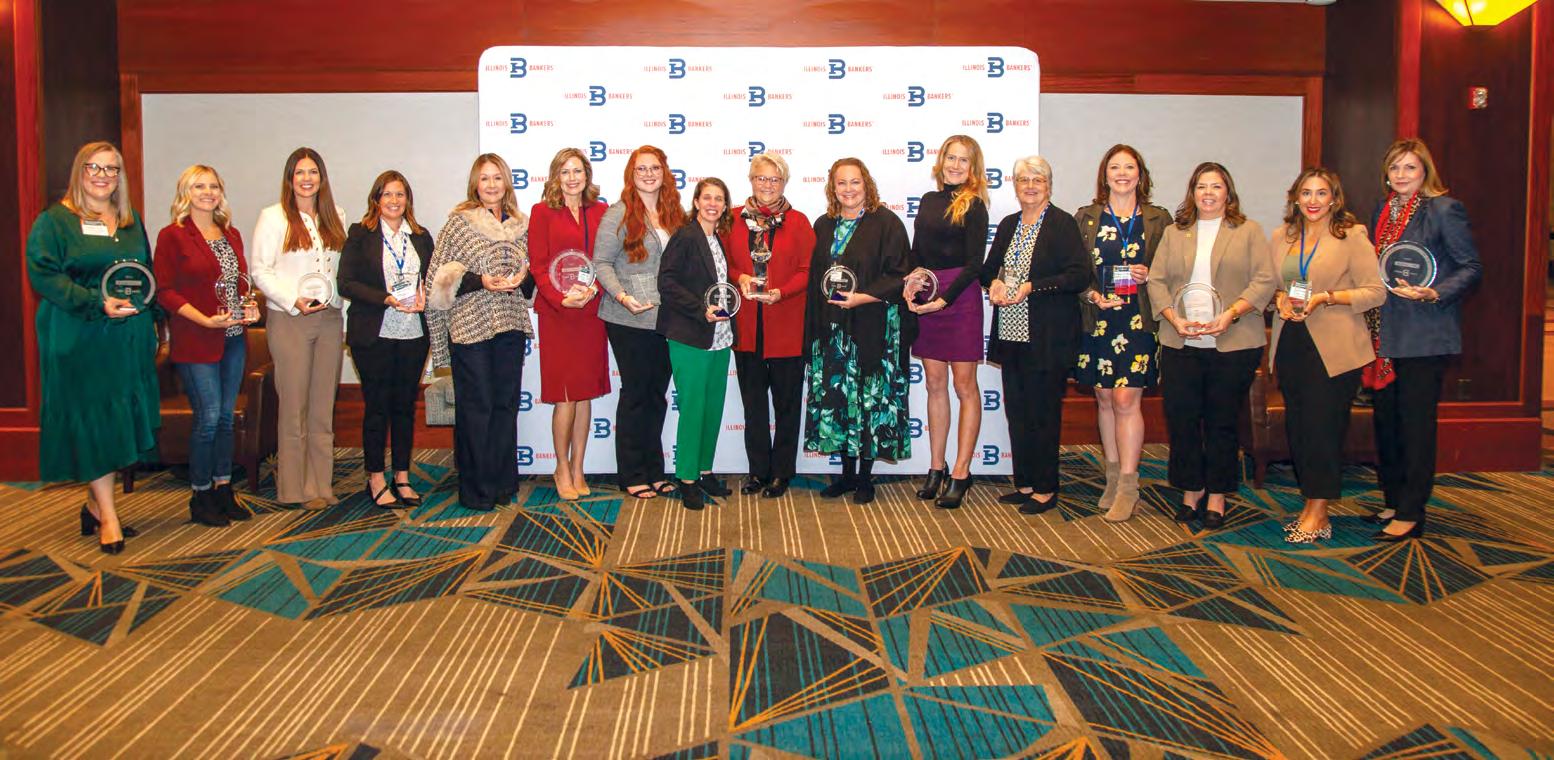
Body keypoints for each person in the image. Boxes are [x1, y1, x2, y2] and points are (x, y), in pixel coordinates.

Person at [25, 141, 158, 553]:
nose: (103, 176)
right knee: (96, 421)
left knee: (118, 422)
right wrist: (96, 302)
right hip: (79, 336)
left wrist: (152, 320)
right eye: (94, 168)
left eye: (111, 169)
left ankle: (94, 505)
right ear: (79, 171)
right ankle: (109, 517)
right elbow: (44, 276)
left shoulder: (130, 221)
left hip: (126, 338)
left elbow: (144, 273)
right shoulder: (55, 221)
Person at [1145, 162, 1276, 529]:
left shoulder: (1248, 231)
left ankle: (1217, 494)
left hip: (1232, 342)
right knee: (1183, 420)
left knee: (1221, 421)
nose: (1208, 193)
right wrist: (1174, 318)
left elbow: (1265, 280)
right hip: (1181, 341)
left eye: (1216, 186)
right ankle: (1191, 490)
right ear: (1192, 192)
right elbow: (1156, 281)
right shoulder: (1175, 232)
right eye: (1201, 186)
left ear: (1227, 193)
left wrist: (1231, 314)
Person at [1365, 139, 1482, 542]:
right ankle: (1394, 499)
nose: (1401, 175)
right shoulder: (1383, 211)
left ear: (1425, 171)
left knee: (1415, 426)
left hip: (1424, 333)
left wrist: (1435, 292)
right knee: (1387, 423)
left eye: (1410, 168)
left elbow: (1471, 266)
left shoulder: (1444, 210)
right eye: (1394, 168)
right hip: (1384, 334)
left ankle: (1413, 511)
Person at [1270, 167, 1387, 543]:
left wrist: (1327, 297)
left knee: (1323, 429)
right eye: (1306, 193)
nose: (1313, 201)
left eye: (1322, 193)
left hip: (1334, 347)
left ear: (1335, 199)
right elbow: (1276, 285)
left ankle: (1319, 513)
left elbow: (1375, 292)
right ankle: (1309, 505)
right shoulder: (1283, 236)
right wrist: (1279, 298)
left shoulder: (1351, 236)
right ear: (1295, 198)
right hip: (1292, 341)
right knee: (1299, 430)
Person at [981, 156, 1091, 514]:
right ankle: (1025, 482)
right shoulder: (1009, 224)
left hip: (1048, 336)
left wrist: (1032, 286)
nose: (1030, 186)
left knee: (1043, 414)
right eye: (1023, 180)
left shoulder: (1062, 224)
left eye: (1037, 180)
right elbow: (987, 270)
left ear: (1049, 186)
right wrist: (994, 283)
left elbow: (1079, 275)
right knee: (1018, 412)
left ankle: (1045, 488)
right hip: (1010, 334)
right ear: (1015, 186)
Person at [425, 153, 534, 512]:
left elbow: (531, 279)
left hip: (510, 324)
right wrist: (479, 280)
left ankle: (502, 483)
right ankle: (476, 490)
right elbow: (437, 277)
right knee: (477, 407)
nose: (491, 185)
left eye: (497, 177)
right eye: (484, 178)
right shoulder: (459, 223)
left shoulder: (522, 224)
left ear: (506, 183)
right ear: (475, 183)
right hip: (470, 326)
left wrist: (523, 277)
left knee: (505, 405)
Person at [803, 158, 913, 505]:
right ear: (832, 188)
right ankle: (845, 474)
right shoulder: (823, 225)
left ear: (866, 184)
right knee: (838, 399)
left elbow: (899, 275)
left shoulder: (886, 223)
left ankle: (865, 477)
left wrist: (861, 298)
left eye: (855, 182)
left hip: (872, 327)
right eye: (841, 183)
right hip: (833, 330)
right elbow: (814, 278)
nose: (848, 189)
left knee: (868, 399)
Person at [153, 164, 258, 528]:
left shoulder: (231, 234)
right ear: (186, 192)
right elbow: (164, 291)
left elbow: (239, 284)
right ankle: (200, 495)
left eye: (213, 186)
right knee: (208, 418)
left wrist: (249, 306)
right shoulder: (173, 236)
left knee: (226, 418)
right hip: (196, 338)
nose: (208, 192)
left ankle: (223, 487)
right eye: (199, 186)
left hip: (233, 338)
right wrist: (202, 319)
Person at [1074, 144, 1171, 522]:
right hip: (1098, 318)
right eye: (1114, 167)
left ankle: (1130, 486)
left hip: (1139, 320)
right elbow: (1075, 271)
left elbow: (1173, 270)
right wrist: (1091, 295)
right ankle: (1112, 478)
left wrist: (1151, 273)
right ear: (1105, 175)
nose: (1122, 174)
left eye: (1129, 167)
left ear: (1140, 175)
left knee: (1126, 398)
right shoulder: (1086, 217)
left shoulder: (1158, 219)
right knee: (1104, 398)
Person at [250, 147, 348, 510]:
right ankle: (295, 488)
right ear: (290, 178)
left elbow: (340, 270)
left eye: (313, 172)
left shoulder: (335, 215)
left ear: (322, 178)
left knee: (323, 405)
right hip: (290, 319)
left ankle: (321, 483)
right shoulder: (273, 217)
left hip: (329, 318)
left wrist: (340, 308)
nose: (307, 179)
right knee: (295, 405)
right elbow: (260, 270)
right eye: (300, 173)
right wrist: (293, 300)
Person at [594, 146, 688, 500]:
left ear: (665, 172)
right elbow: (601, 263)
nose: (649, 174)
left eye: (655, 168)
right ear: (631, 175)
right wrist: (622, 296)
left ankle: (654, 470)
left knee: (657, 396)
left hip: (668, 318)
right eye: (641, 169)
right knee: (636, 394)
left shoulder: (675, 213)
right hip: (628, 319)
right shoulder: (617, 213)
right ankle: (632, 473)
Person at [339, 170, 433, 509]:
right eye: (387, 194)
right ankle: (376, 478)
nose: (394, 200)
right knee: (377, 407)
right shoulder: (360, 234)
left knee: (405, 407)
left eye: (400, 194)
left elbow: (432, 278)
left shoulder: (420, 236)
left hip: (413, 334)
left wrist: (426, 296)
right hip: (374, 333)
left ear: (408, 200)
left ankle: (402, 477)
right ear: (376, 199)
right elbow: (346, 283)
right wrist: (386, 298)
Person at [907, 135, 990, 509]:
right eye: (950, 158)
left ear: (973, 168)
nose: (955, 165)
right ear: (941, 161)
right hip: (929, 293)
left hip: (960, 298)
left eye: (963, 160)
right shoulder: (928, 200)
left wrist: (944, 299)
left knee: (964, 385)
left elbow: (975, 264)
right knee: (934, 383)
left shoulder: (974, 205)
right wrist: (913, 282)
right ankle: (936, 467)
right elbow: (917, 252)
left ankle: (961, 471)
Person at [727, 153, 813, 499]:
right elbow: (723, 264)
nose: (767, 185)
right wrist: (740, 277)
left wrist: (782, 292)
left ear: (784, 183)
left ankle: (781, 472)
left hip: (787, 327)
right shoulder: (732, 219)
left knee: (787, 405)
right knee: (754, 406)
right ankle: (758, 471)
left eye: (775, 179)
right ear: (751, 180)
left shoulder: (799, 222)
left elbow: (808, 271)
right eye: (761, 178)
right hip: (748, 328)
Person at [527, 148, 610, 502]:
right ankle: (561, 466)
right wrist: (560, 299)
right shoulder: (542, 212)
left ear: (587, 175)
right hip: (558, 314)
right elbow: (538, 264)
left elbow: (606, 260)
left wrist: (593, 291)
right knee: (565, 395)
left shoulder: (601, 211)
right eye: (565, 172)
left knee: (584, 393)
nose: (572, 178)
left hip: (590, 313)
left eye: (578, 171)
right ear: (555, 177)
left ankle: (579, 467)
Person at [658, 178, 737, 511]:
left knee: (712, 407)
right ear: (696, 202)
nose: (713, 204)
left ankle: (704, 470)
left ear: (725, 205)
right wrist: (699, 308)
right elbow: (666, 282)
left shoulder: (717, 238)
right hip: (690, 335)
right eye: (707, 198)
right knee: (693, 409)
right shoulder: (686, 236)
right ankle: (687, 477)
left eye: (719, 199)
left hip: (720, 336)